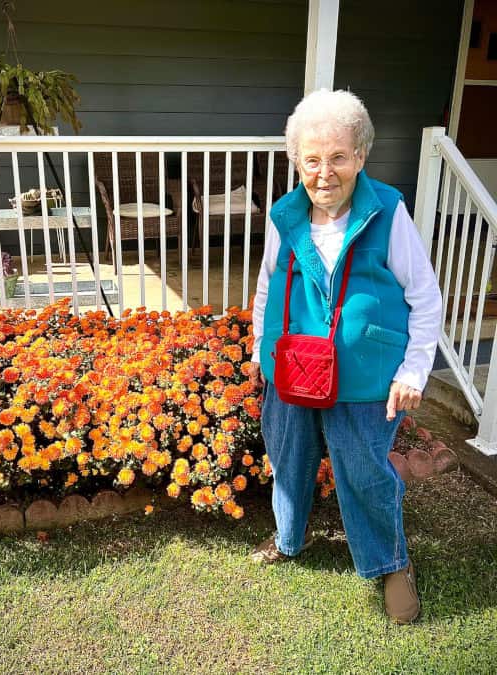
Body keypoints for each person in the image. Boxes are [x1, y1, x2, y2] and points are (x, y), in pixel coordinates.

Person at [248, 89, 442, 624]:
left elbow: (424, 296)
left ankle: (390, 564)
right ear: (297, 162)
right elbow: (267, 288)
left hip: (365, 376)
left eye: (338, 157)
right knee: (287, 459)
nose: (324, 172)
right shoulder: (285, 216)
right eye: (312, 159)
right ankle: (289, 539)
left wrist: (413, 371)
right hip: (292, 368)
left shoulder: (388, 212)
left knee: (363, 471)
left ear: (360, 156)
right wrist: (262, 352)